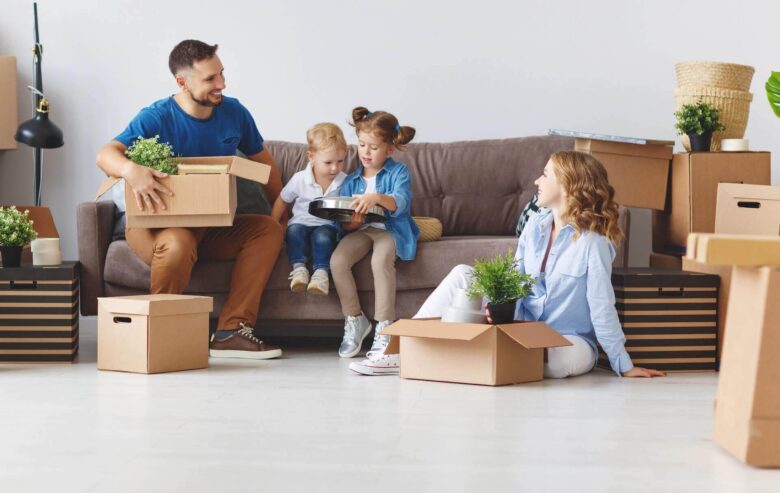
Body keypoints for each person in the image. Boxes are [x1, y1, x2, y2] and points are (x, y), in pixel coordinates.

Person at [350, 151, 667, 378]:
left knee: (558, 363)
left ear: (569, 185)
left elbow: (601, 307)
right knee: (464, 274)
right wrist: (497, 304)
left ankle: (472, 358)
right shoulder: (536, 226)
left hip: (567, 339)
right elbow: (515, 277)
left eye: (545, 174)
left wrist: (622, 364)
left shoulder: (593, 244)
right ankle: (400, 348)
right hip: (520, 328)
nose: (536, 180)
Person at [96, 39, 284, 360]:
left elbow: (265, 169)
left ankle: (230, 331)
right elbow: (105, 154)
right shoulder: (157, 117)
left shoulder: (234, 113)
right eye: (210, 79)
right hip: (159, 225)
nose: (221, 84)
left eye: (221, 74)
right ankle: (160, 335)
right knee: (179, 242)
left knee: (268, 229)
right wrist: (132, 170)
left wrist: (283, 214)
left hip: (211, 223)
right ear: (182, 82)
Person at [330, 107, 418, 359]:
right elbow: (345, 225)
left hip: (390, 230)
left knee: (380, 261)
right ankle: (355, 319)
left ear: (390, 148)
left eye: (374, 147)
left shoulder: (398, 172)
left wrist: (376, 197)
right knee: (338, 261)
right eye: (362, 145)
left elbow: (400, 202)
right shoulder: (351, 180)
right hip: (363, 230)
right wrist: (353, 223)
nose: (366, 153)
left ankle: (384, 326)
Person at [272, 123, 348, 296]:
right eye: (328, 162)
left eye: (340, 161)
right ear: (311, 157)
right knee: (294, 232)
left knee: (322, 237)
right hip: (301, 222)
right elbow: (283, 200)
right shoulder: (299, 179)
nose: (335, 168)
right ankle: (299, 269)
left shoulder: (345, 181)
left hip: (327, 225)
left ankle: (321, 274)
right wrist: (274, 224)